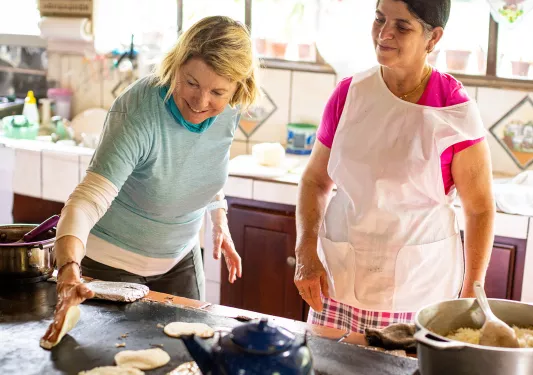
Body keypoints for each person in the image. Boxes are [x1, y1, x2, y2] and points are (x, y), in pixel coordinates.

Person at [41, 16, 259, 345]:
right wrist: (69, 267)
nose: (201, 102)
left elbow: (205, 163)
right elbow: (87, 201)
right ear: (176, 64)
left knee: (190, 357)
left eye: (217, 91)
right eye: (191, 83)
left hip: (181, 259)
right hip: (111, 264)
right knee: (110, 358)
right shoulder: (139, 111)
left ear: (238, 88)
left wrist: (219, 216)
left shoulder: (229, 108)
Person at [294, 0, 495, 333]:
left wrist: (472, 292)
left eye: (402, 26)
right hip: (338, 276)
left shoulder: (454, 110)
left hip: (415, 286)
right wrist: (305, 253)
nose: (384, 33)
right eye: (379, 19)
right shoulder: (349, 94)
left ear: (433, 39)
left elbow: (479, 209)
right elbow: (315, 181)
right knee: (325, 365)